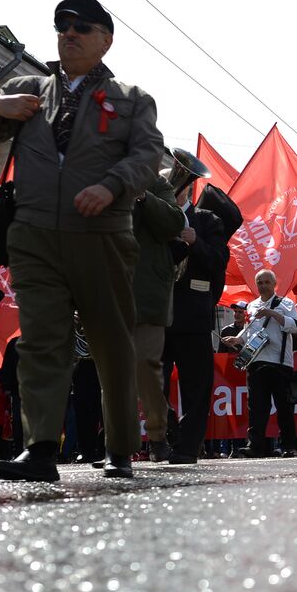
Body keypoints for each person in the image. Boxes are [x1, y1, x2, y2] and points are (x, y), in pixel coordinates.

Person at [0, 0, 164, 481]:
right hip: (34, 236)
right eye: (62, 26)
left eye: (82, 27)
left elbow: (147, 155)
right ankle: (42, 449)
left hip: (102, 236)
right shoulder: (28, 89)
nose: (69, 33)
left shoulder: (131, 98)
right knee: (42, 341)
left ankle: (119, 448)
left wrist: (111, 185)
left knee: (110, 341)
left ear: (105, 39)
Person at [164, 150, 234, 465]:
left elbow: (220, 262)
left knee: (197, 388)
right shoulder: (155, 215)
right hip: (157, 314)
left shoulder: (207, 220)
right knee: (149, 383)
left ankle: (187, 447)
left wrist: (196, 242)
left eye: (177, 180)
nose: (171, 184)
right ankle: (164, 436)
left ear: (189, 188)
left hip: (192, 317)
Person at [130, 166, 184, 463]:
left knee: (145, 367)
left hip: (148, 295)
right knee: (113, 373)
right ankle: (119, 444)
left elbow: (174, 223)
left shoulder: (157, 183)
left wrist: (143, 195)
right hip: (110, 289)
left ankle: (157, 434)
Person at [233, 270, 297, 459]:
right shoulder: (251, 306)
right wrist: (236, 340)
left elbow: (294, 327)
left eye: (266, 282)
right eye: (260, 282)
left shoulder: (286, 303)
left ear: (274, 283)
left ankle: (287, 446)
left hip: (280, 362)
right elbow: (248, 331)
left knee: (284, 407)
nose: (263, 286)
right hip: (256, 361)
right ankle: (255, 446)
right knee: (256, 407)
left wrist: (272, 313)